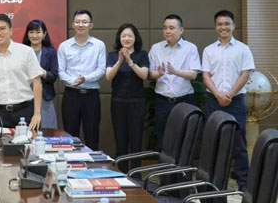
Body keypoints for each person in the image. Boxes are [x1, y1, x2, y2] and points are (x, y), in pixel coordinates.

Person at [202, 10, 254, 190]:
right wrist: (218, 94)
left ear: (233, 25)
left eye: (226, 24)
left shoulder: (243, 49)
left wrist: (230, 94)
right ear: (215, 27)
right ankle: (214, 183)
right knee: (213, 142)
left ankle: (244, 185)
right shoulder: (208, 50)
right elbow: (206, 76)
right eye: (219, 24)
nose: (223, 27)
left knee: (239, 144)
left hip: (236, 101)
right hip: (213, 101)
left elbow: (245, 74)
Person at [148, 14, 201, 150]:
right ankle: (165, 164)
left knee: (185, 139)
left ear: (181, 30)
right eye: (165, 28)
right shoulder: (156, 48)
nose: (167, 31)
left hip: (184, 100)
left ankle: (183, 165)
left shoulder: (190, 48)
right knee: (163, 138)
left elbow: (194, 74)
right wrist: (158, 73)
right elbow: (149, 74)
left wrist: (176, 71)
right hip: (162, 101)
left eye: (171, 28)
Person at [57, 10, 106, 150]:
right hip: (71, 95)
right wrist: (74, 81)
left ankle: (92, 163)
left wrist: (85, 79)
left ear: (91, 25)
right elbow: (61, 71)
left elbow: (101, 69)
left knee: (92, 135)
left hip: (91, 96)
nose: (81, 25)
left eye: (84, 22)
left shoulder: (99, 45)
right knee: (70, 136)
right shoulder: (64, 46)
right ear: (73, 25)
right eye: (78, 22)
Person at [105, 23, 149, 173]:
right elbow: (108, 76)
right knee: (120, 142)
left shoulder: (142, 55)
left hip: (137, 102)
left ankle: (136, 177)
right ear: (119, 38)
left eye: (130, 35)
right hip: (118, 103)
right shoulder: (113, 55)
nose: (127, 38)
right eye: (123, 36)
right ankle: (122, 176)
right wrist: (119, 61)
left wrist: (130, 61)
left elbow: (144, 75)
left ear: (135, 38)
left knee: (136, 142)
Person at [22, 19, 58, 129]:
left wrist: (40, 71)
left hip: (44, 98)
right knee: (25, 130)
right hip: (24, 97)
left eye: (38, 32)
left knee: (47, 130)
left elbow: (53, 77)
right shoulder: (22, 51)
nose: (34, 35)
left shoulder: (51, 52)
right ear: (27, 34)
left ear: (44, 34)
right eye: (31, 32)